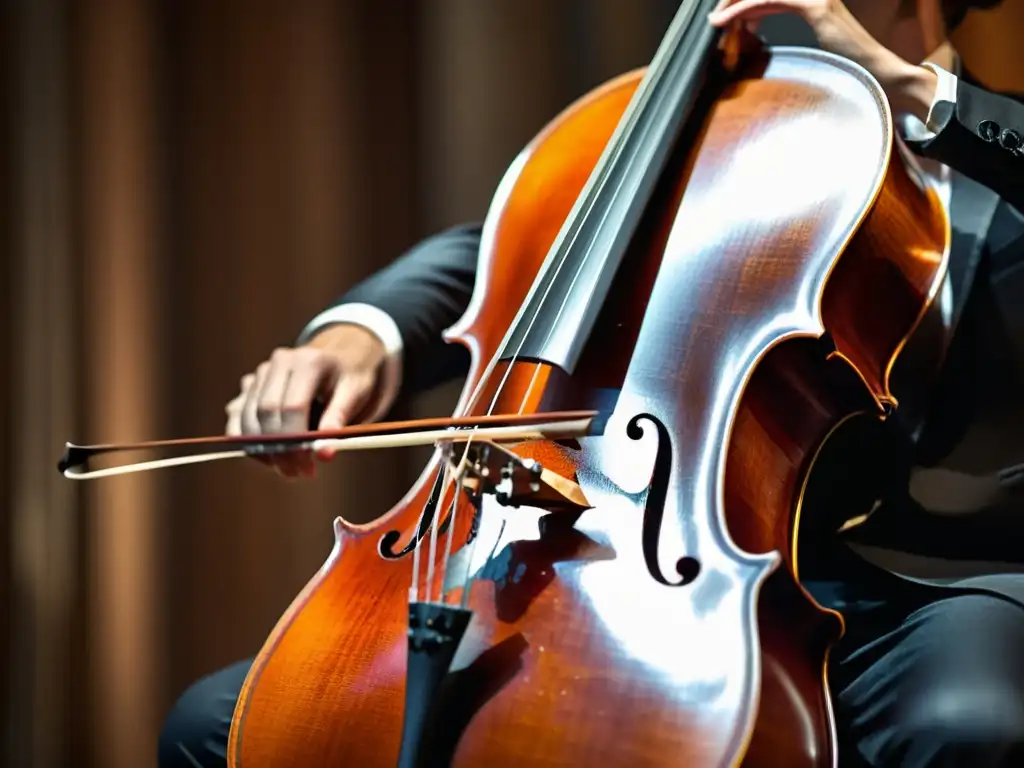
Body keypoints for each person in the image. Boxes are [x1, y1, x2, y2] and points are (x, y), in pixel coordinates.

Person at [158, 0, 1024, 765]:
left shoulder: (994, 142)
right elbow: (503, 244)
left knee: (965, 724)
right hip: (652, 563)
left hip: (919, 587)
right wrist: (357, 335)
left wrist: (915, 95)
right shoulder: (715, 122)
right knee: (214, 725)